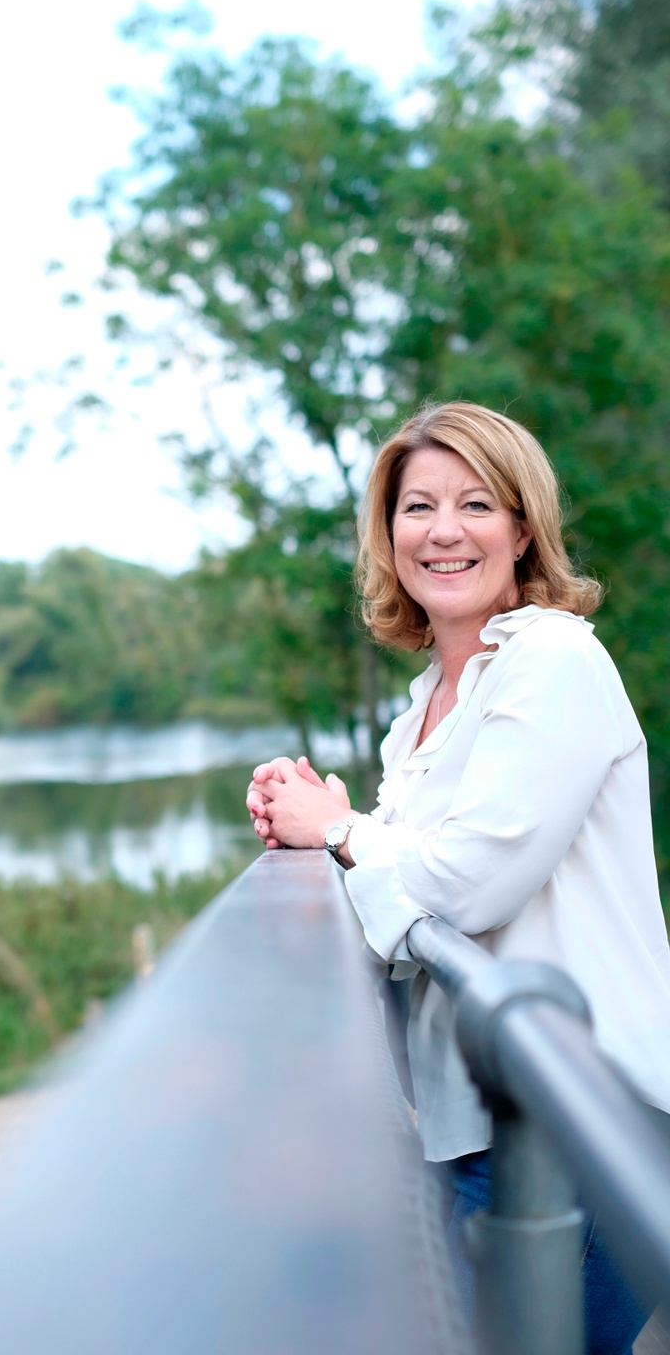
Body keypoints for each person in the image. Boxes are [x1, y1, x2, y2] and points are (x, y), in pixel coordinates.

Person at [245, 401, 670, 1355]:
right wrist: (321, 831)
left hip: (581, 1120)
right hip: (478, 1124)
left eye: (476, 504)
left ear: (522, 529)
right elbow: (395, 913)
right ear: (387, 533)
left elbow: (467, 888)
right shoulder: (425, 711)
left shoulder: (555, 661)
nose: (443, 531)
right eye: (417, 507)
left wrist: (340, 830)